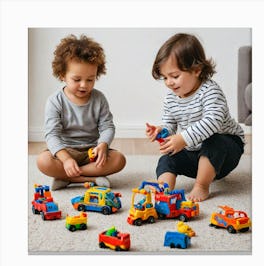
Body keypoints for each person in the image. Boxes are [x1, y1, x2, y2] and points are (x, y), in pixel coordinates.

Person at [146, 33, 245, 202]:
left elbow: (213, 122)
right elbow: (170, 122)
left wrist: (183, 138)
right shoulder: (171, 98)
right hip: (194, 153)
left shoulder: (210, 91)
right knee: (168, 157)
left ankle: (201, 186)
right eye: (165, 77)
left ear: (197, 70)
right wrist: (162, 131)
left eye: (175, 76)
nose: (169, 82)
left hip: (225, 151)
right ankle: (163, 188)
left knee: (214, 141)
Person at [37, 34, 126, 190]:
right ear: (62, 75)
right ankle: (89, 178)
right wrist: (65, 160)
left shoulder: (99, 98)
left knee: (119, 160)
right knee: (43, 161)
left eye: (90, 79)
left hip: (92, 152)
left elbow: (107, 126)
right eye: (77, 79)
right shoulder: (54, 101)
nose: (84, 85)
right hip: (66, 151)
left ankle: (68, 177)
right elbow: (52, 135)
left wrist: (103, 145)